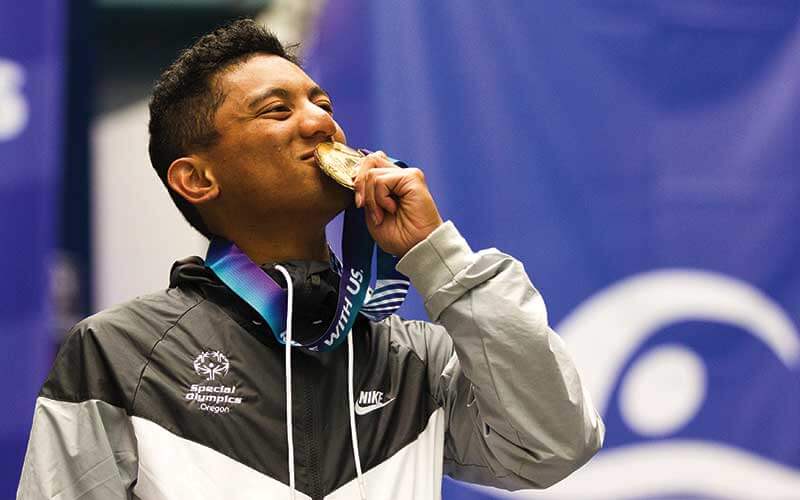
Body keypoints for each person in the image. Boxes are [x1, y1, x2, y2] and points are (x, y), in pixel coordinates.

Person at [17, 19, 603, 500]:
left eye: (320, 102)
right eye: (277, 110)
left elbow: (551, 446)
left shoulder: (413, 358)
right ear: (197, 178)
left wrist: (437, 256)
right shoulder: (119, 353)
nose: (323, 122)